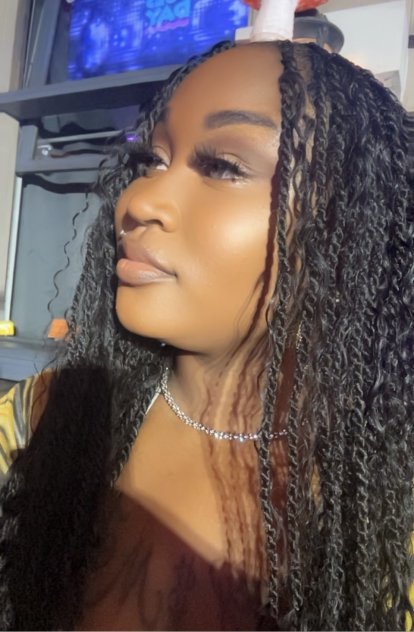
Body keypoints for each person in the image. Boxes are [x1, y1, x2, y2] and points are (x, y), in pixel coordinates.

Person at [0, 40, 413, 631]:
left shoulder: (388, 492)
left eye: (223, 166)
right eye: (152, 160)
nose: (139, 200)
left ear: (348, 230)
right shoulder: (43, 414)